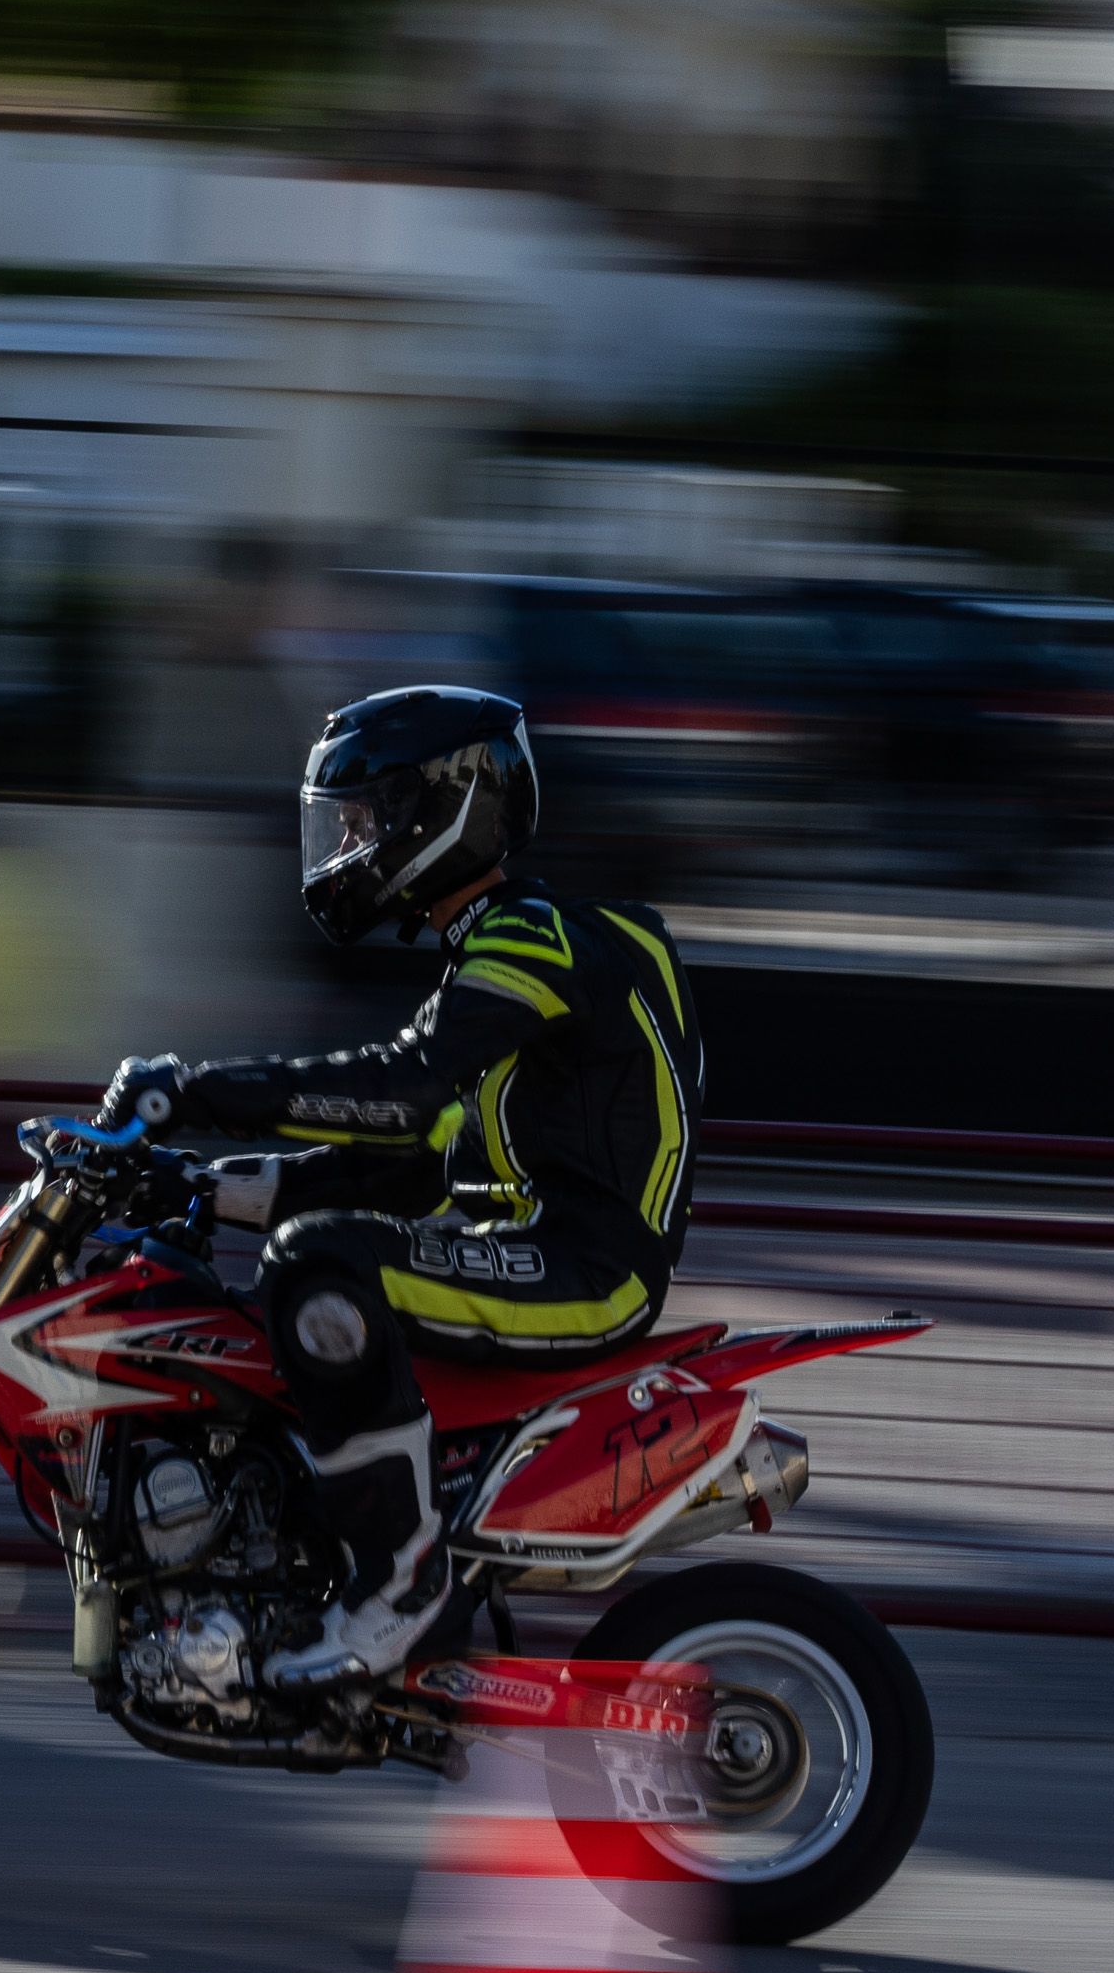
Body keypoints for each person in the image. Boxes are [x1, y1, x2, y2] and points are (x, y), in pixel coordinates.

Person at [103, 686, 703, 1685]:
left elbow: (397, 1088)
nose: (344, 845)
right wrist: (205, 1191)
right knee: (303, 1261)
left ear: (443, 812)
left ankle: (401, 1588)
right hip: (532, 1244)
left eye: (362, 821)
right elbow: (411, 1160)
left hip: (584, 1265)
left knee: (320, 1266)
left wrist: (194, 1090)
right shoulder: (497, 956)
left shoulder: (536, 938)